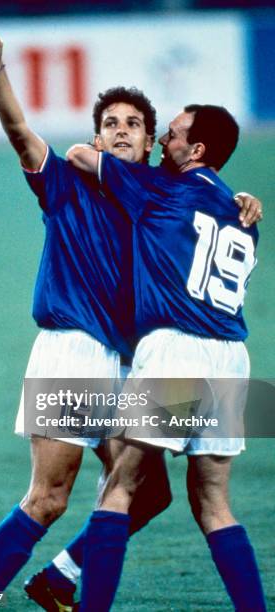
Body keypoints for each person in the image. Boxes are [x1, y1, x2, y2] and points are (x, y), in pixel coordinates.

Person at [0, 5, 177, 612]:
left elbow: (208, 195)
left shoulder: (163, 201)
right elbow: (20, 132)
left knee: (150, 492)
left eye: (134, 123)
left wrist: (244, 199)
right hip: (73, 348)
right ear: (97, 136)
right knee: (49, 497)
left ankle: (59, 578)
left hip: (128, 361)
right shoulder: (66, 183)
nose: (122, 129)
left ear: (151, 142)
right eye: (111, 122)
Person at [67, 106, 267, 611]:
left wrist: (125, 161)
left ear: (196, 150)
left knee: (121, 486)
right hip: (230, 357)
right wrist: (245, 196)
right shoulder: (242, 214)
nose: (160, 142)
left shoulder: (159, 189)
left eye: (172, 135)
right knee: (214, 501)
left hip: (177, 350)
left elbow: (78, 156)